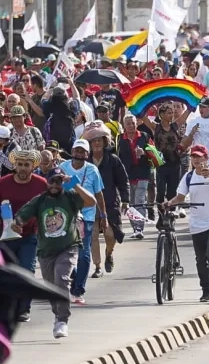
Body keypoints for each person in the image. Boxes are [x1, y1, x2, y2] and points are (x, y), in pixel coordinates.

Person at [11, 167, 97, 338]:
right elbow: (21, 217)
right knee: (51, 287)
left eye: (59, 181)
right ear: (47, 182)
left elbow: (91, 201)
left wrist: (74, 184)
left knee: (62, 278)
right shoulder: (40, 201)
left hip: (68, 247)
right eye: (52, 181)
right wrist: (16, 224)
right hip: (46, 252)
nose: (55, 185)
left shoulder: (70, 197)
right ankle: (58, 316)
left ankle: (63, 321)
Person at [166, 145, 209, 302]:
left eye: (199, 157)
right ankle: (206, 290)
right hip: (196, 223)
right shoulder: (188, 177)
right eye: (193, 157)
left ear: (206, 158)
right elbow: (180, 197)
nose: (196, 160)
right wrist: (168, 203)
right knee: (200, 258)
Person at [0, 149, 48, 322]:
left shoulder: (41, 184)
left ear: (33, 166)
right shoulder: (3, 183)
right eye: (19, 164)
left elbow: (46, 208)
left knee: (27, 270)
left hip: (30, 236)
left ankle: (23, 309)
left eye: (26, 165)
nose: (22, 168)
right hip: (5, 237)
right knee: (7, 273)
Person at [59, 139, 105, 304]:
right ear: (72, 152)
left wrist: (104, 216)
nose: (79, 154)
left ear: (87, 154)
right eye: (76, 151)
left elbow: (99, 195)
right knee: (64, 251)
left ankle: (78, 290)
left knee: (84, 252)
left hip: (86, 217)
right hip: (65, 216)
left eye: (82, 152)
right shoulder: (62, 168)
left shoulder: (92, 170)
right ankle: (73, 279)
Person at [84, 122, 129, 277]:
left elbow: (123, 181)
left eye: (99, 140)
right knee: (93, 236)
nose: (96, 143)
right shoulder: (85, 161)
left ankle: (109, 254)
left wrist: (126, 200)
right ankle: (97, 267)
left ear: (105, 141)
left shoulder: (113, 160)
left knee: (111, 235)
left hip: (110, 203)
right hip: (89, 205)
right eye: (93, 140)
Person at [118, 115, 153, 239]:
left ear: (136, 123)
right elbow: (118, 157)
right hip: (127, 174)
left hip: (143, 173)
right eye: (128, 124)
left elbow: (154, 153)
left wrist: (144, 153)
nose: (131, 126)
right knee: (131, 202)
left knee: (140, 200)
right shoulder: (120, 139)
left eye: (133, 123)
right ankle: (135, 227)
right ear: (124, 126)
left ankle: (139, 228)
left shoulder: (144, 136)